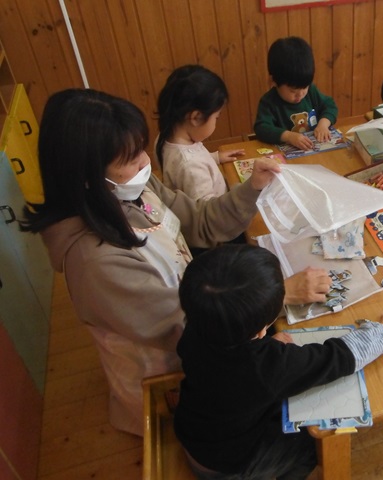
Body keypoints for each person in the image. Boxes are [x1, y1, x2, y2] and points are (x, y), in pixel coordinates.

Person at [18, 88, 325, 437]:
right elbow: (189, 329)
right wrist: (279, 294)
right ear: (87, 178)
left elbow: (199, 220)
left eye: (141, 150)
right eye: (129, 160)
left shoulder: (132, 188)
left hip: (203, 321)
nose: (144, 164)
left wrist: (252, 187)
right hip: (173, 378)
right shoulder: (94, 261)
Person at [174, 243, 383, 479]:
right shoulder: (265, 367)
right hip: (227, 465)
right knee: (310, 444)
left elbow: (234, 370)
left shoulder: (198, 326)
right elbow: (337, 358)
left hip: (195, 430)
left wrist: (266, 349)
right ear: (260, 331)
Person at [156, 65, 245, 201]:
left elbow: (182, 165)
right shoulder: (191, 167)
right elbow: (206, 211)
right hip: (218, 209)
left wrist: (214, 157)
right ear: (196, 118)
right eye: (216, 117)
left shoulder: (165, 137)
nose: (216, 122)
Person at [253, 36, 338, 151]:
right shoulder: (268, 102)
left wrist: (323, 124)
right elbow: (261, 128)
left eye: (305, 87)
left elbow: (330, 105)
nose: (300, 95)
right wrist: (288, 136)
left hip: (315, 151)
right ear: (273, 81)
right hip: (285, 156)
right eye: (293, 91)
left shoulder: (311, 91)